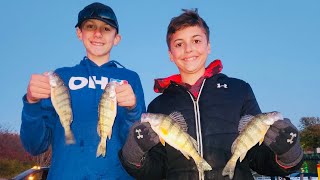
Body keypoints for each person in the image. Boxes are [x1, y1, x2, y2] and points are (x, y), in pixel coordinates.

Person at [119, 9, 303, 180]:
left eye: (196, 41)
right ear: (170, 54)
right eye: (179, 44)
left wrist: (288, 154)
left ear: (208, 46)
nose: (188, 49)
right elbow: (155, 171)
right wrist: (134, 155)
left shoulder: (239, 90)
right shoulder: (159, 106)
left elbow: (258, 159)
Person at [20, 2, 145, 179]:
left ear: (117, 38)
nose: (98, 33)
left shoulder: (130, 79)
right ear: (79, 33)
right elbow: (35, 146)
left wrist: (133, 111)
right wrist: (31, 104)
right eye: (90, 26)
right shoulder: (60, 77)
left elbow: (136, 145)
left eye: (106, 28)